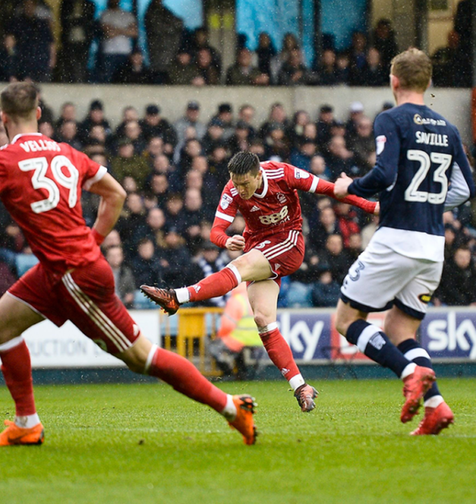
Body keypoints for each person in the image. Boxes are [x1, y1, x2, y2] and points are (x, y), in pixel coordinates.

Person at [0, 82, 258, 447]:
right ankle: (27, 424)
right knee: (0, 325)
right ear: (39, 114)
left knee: (141, 357)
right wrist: (94, 239)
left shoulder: (0, 159)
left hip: (75, 275)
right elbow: (116, 193)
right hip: (58, 269)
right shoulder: (67, 153)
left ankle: (232, 407)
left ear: (3, 117)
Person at [141, 151, 378, 411]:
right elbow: (216, 231)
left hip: (288, 243)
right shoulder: (232, 188)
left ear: (258, 174)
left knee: (240, 266)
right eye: (235, 182)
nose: (240, 189)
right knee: (263, 321)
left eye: (245, 183)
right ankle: (301, 386)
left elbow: (330, 189)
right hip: (259, 250)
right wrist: (225, 240)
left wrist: (373, 207)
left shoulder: (283, 173)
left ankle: (177, 297)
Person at [333, 48, 475, 435]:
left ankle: (410, 373)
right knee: (401, 329)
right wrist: (423, 200)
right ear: (427, 83)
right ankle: (437, 406)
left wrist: (350, 187)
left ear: (393, 81)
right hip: (432, 246)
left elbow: (383, 172)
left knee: (346, 320)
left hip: (396, 240)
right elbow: (466, 187)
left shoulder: (390, 119)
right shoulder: (447, 128)